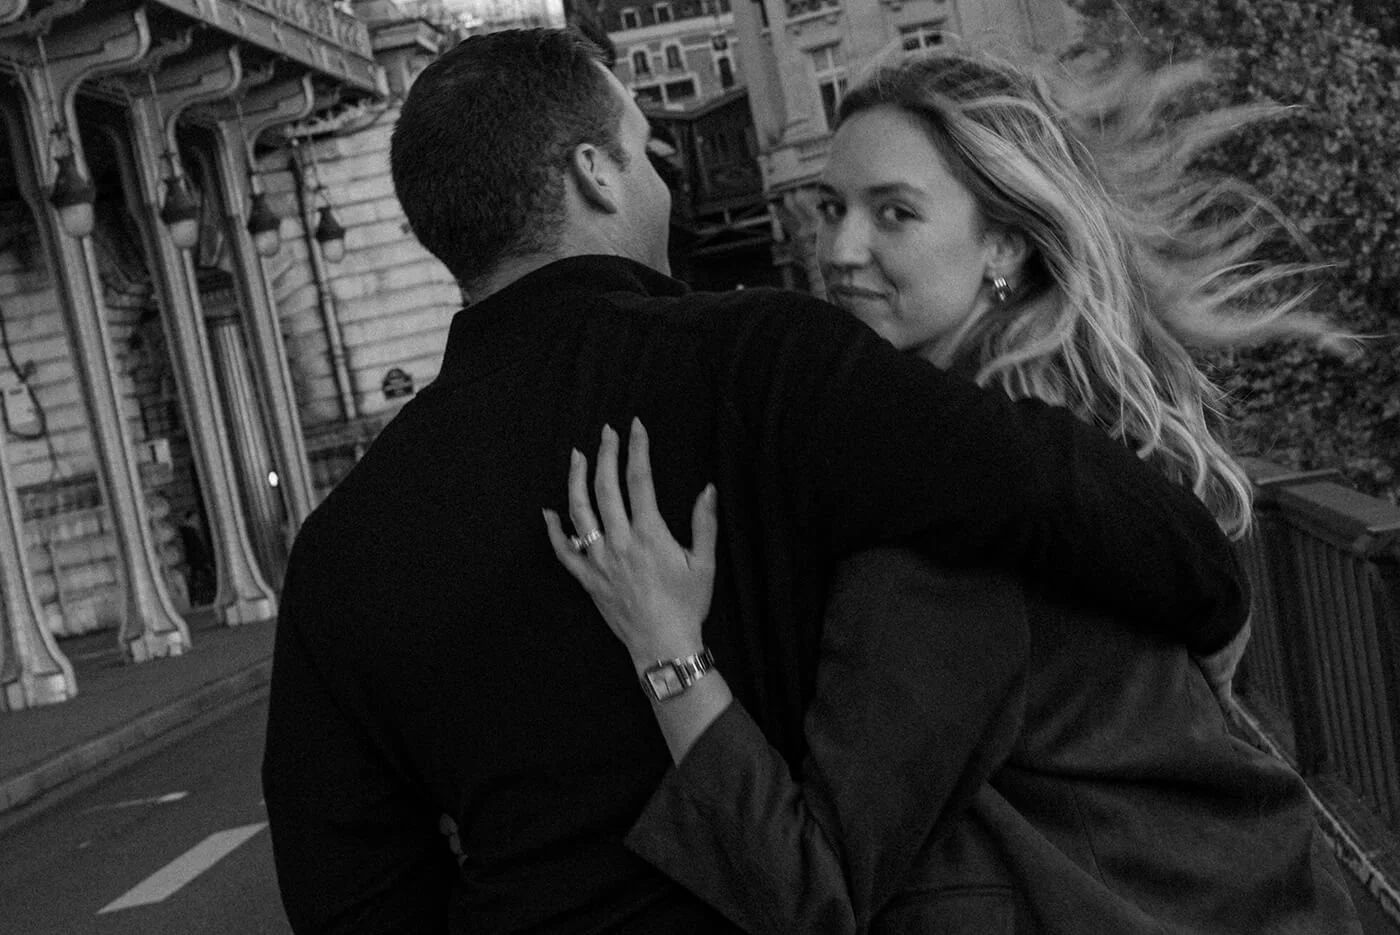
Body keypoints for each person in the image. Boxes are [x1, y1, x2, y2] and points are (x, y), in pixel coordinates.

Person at [261, 29, 1252, 933]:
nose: (666, 181)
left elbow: (347, 888)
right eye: (647, 150)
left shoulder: (342, 545)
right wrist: (1207, 592)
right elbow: (1036, 483)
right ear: (595, 173)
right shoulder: (763, 363)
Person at [548, 46, 1360, 933]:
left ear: (1004, 243)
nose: (840, 250)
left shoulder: (954, 526)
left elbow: (806, 887)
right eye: (831, 208)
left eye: (893, 213)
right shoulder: (1065, 435)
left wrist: (666, 648)